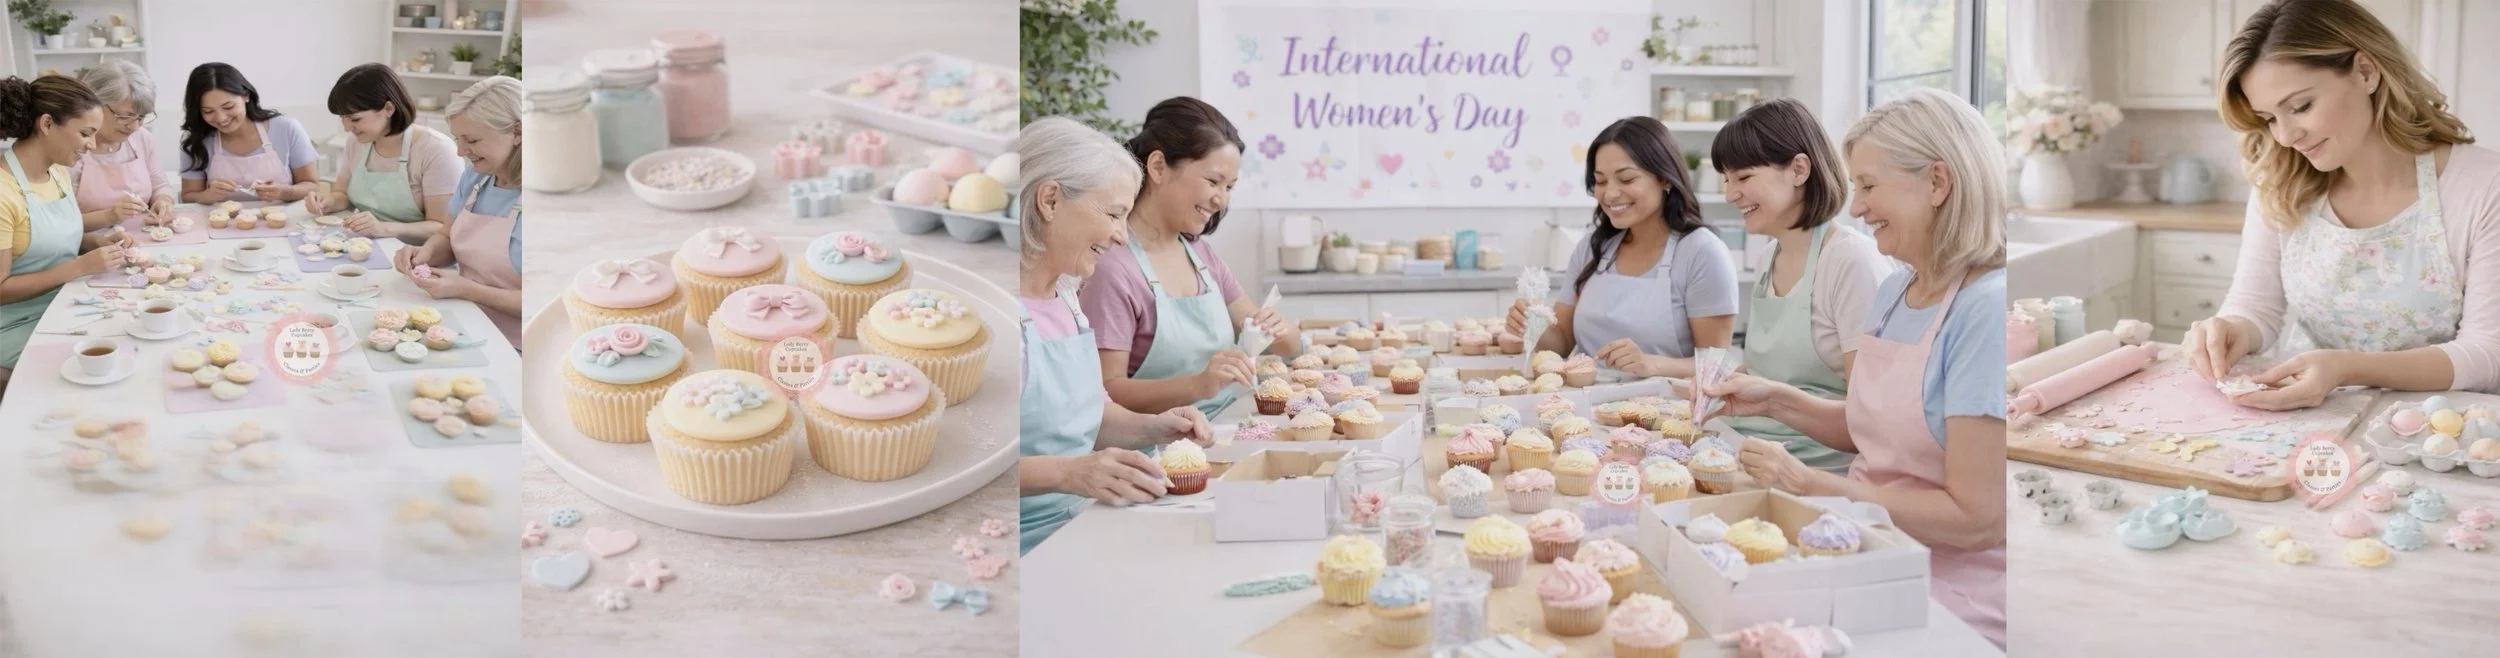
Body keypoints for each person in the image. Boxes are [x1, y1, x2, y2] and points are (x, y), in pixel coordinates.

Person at [1698, 88, 2007, 646]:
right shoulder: (1896, 290)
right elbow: (1871, 429)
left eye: (1868, 186)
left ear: (1937, 183)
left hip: (1943, 582)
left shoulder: (1984, 310)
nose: (1856, 206)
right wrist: (1774, 399)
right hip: (1862, 542)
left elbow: (1976, 520)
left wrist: (1813, 484)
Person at [2186, 0, 2500, 405]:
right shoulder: (2280, 182)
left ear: (2366, 72)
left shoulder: (2483, 185)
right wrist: (2229, 330)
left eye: (2300, 107)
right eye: (2269, 118)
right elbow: (2255, 307)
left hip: (2439, 434)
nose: (2285, 136)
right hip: (2310, 422)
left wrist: (2346, 368)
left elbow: (2488, 352)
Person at [1017, 117, 1213, 554]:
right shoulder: (997, 315)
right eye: (1112, 214)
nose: (1121, 236)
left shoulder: (1067, 298)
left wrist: (1158, 428)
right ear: (1050, 199)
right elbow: (970, 467)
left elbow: (1091, 418)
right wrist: (1068, 474)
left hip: (1083, 524)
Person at [1711, 98, 1893, 474]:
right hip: (1746, 451)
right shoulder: (1767, 259)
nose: (1730, 194)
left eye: (1743, 178)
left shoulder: (1851, 262)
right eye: (1726, 179)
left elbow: (1873, 419)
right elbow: (1773, 370)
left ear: (1798, 169)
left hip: (1816, 472)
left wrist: (1772, 400)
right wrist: (1719, 385)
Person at [1080, 97, 1293, 418]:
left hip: (1226, 426)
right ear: (1158, 167)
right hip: (1160, 450)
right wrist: (1196, 385)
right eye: (1213, 181)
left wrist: (1281, 330)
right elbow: (1106, 391)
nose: (1221, 200)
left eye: (1230, 186)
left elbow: (1282, 346)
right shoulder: (1112, 267)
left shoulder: (1200, 254)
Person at [1508, 116, 1739, 378]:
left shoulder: (1702, 253)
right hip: (1583, 407)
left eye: (1627, 179)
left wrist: (1652, 365)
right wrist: (1532, 326)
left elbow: (1719, 365)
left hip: (1667, 411)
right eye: (1601, 181)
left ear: (1665, 178)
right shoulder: (1593, 247)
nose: (1610, 194)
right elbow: (1562, 341)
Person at [0, 75, 129, 394]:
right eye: (86, 133)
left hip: (63, 301)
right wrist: (81, 266)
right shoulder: (3, 193)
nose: (92, 145)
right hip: (14, 323)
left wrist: (98, 242)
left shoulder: (56, 171)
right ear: (46, 123)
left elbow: (50, 237)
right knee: (98, 373)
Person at [391, 77, 523, 344]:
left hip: (520, 343)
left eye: (472, 140)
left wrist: (469, 290)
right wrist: (425, 253)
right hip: (464, 322)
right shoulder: (476, 177)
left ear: (517, 132)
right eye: (457, 139)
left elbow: (551, 300)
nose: (461, 150)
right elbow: (447, 237)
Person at [308, 63, 464, 242]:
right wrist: (328, 202)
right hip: (366, 245)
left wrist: (383, 228)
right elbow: (342, 194)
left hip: (418, 256)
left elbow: (441, 226)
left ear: (389, 109)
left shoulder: (435, 149)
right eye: (342, 118)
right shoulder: (357, 141)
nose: (346, 127)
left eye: (355, 118)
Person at [176, 63, 320, 204]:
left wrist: (283, 192)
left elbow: (311, 185)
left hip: (281, 222)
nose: (221, 118)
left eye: (228, 106)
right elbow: (188, 195)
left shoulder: (287, 128)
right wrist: (207, 195)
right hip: (219, 224)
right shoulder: (196, 141)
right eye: (208, 111)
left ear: (246, 95)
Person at [67, 60, 174, 229]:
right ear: (94, 104)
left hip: (142, 239)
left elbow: (160, 186)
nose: (134, 126)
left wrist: (163, 201)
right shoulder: (71, 148)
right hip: (90, 247)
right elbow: (59, 224)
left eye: (141, 118)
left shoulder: (142, 138)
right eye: (124, 117)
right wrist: (109, 216)